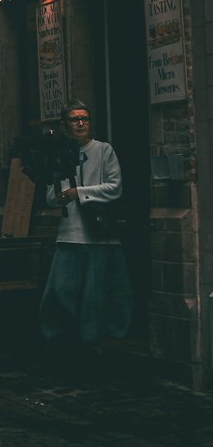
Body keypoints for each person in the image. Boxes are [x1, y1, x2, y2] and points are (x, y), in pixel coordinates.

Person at [39, 100, 132, 349]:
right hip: (69, 234)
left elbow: (115, 187)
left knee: (96, 295)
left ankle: (91, 342)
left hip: (98, 233)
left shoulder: (103, 150)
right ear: (65, 124)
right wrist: (61, 195)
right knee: (60, 291)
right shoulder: (59, 154)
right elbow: (50, 197)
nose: (80, 123)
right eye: (74, 119)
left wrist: (78, 192)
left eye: (85, 118)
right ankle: (60, 339)